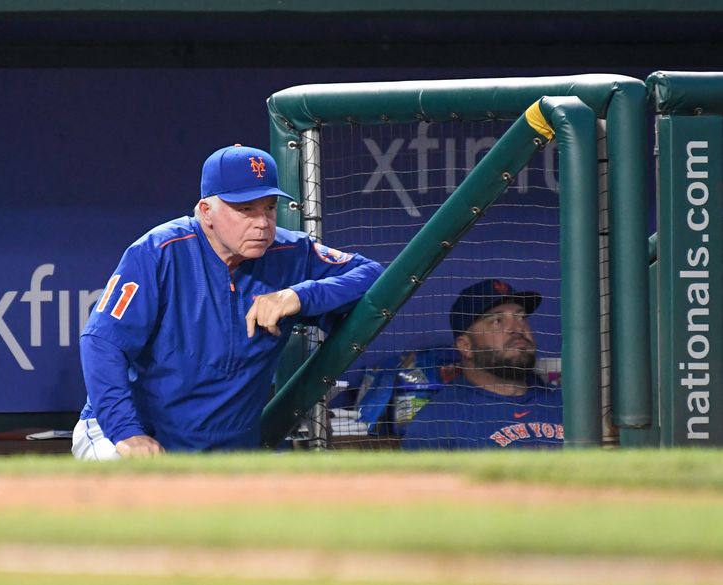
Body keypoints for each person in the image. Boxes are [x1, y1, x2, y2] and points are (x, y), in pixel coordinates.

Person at [72, 144, 383, 459]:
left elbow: (374, 275)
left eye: (270, 207)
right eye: (246, 209)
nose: (262, 223)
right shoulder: (159, 252)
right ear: (207, 211)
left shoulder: (290, 254)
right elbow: (101, 342)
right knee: (130, 478)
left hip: (223, 450)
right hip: (127, 433)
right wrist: (127, 433)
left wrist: (299, 296)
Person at [401, 279, 563, 449]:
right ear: (466, 346)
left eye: (521, 317)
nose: (517, 328)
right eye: (497, 321)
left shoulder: (568, 405)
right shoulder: (436, 424)